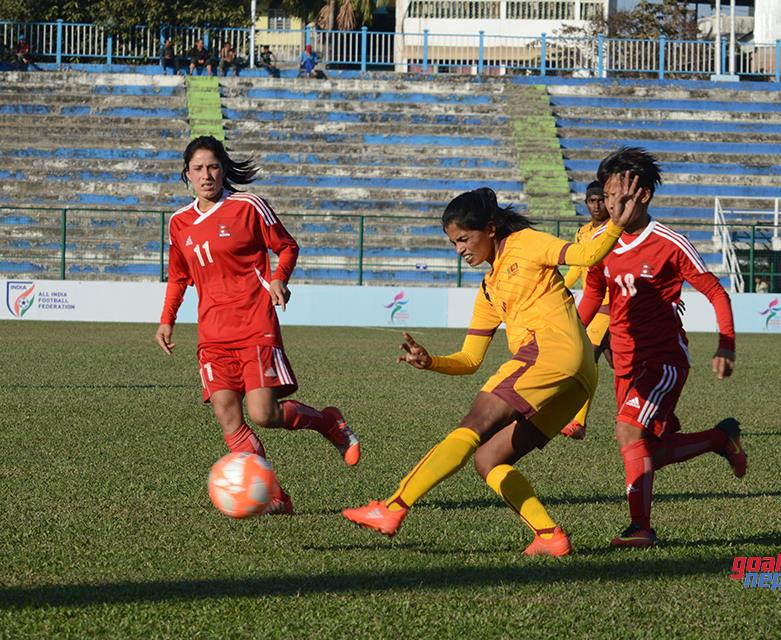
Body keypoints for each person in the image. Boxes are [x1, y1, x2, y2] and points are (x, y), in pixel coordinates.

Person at [342, 180, 645, 557]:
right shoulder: (488, 289)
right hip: (578, 379)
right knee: (489, 459)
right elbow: (470, 359)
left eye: (464, 239)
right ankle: (549, 536)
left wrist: (616, 223)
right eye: (453, 243)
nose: (459, 250)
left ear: (489, 229)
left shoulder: (526, 242)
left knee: (473, 424)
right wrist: (431, 361)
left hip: (550, 352)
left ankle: (391, 507)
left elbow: (586, 254)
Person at [155, 136, 360, 515]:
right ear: (187, 174)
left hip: (254, 324)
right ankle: (276, 497)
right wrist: (167, 319)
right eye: (198, 169)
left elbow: (287, 246)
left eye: (213, 166)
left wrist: (280, 278)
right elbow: (178, 276)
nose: (206, 175)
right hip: (212, 334)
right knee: (227, 415)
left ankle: (328, 422)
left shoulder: (249, 206)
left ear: (224, 169)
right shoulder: (179, 222)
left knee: (264, 414)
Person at [578, 147, 744, 548]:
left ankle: (641, 529)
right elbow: (593, 297)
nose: (610, 204)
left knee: (627, 431)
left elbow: (715, 292)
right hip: (625, 360)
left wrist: (726, 345)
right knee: (645, 449)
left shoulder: (670, 242)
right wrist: (568, 340)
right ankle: (719, 439)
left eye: (618, 196)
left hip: (663, 358)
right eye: (606, 195)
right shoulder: (600, 243)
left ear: (644, 195)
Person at [558, 180, 612, 440]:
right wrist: (558, 287)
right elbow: (577, 268)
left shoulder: (617, 231)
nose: (597, 205)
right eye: (592, 201)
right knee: (623, 364)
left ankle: (578, 422)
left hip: (613, 304)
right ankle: (647, 416)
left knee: (588, 354)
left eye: (601, 200)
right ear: (586, 203)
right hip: (593, 303)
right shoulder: (582, 233)